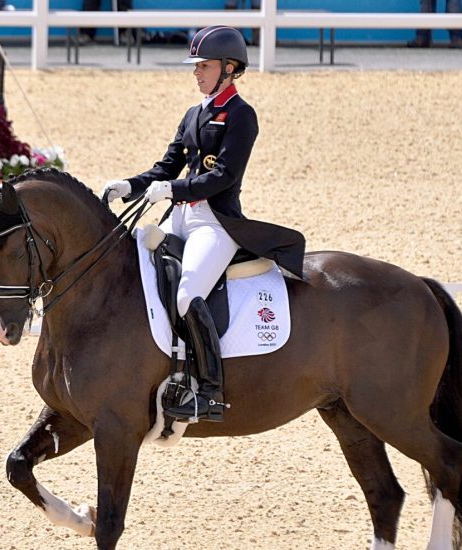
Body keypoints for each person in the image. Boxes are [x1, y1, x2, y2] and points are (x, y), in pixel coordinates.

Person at [101, 25, 305, 424]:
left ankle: (208, 391)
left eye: (205, 66)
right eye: (196, 66)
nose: (197, 72)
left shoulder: (241, 115)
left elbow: (224, 175)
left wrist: (172, 189)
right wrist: (132, 185)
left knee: (187, 293)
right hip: (179, 217)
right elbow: (166, 166)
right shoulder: (194, 114)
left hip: (216, 223)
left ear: (229, 68)